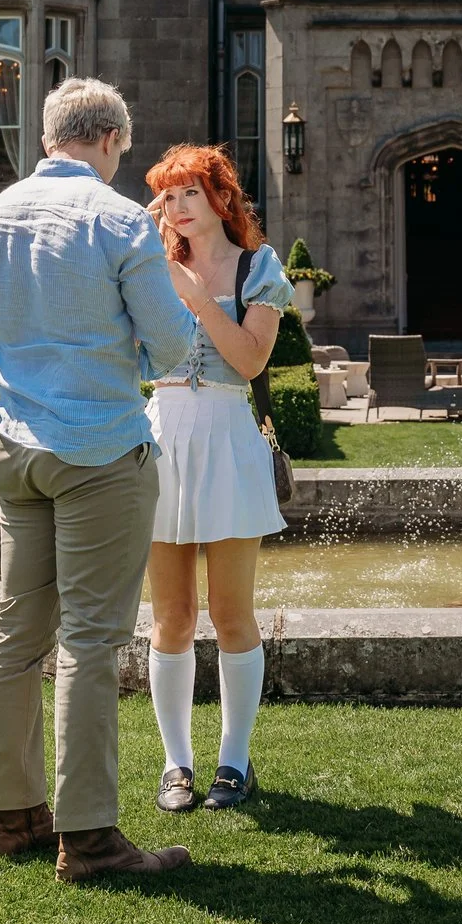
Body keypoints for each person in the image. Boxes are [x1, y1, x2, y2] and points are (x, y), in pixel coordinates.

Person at [0, 77, 196, 883]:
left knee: (16, 632)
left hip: (17, 448)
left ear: (51, 136)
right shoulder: (119, 220)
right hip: (99, 451)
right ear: (113, 140)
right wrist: (105, 367)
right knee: (89, 639)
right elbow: (170, 346)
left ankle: (13, 816)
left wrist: (27, 374)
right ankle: (88, 837)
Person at [140, 143, 292, 815]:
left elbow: (252, 359)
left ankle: (234, 758)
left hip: (229, 435)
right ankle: (176, 763)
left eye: (189, 192)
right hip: (162, 435)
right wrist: (142, 256)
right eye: (167, 194)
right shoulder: (149, 270)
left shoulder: (259, 267)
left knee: (231, 613)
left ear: (221, 199)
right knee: (171, 614)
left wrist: (199, 298)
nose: (176, 205)